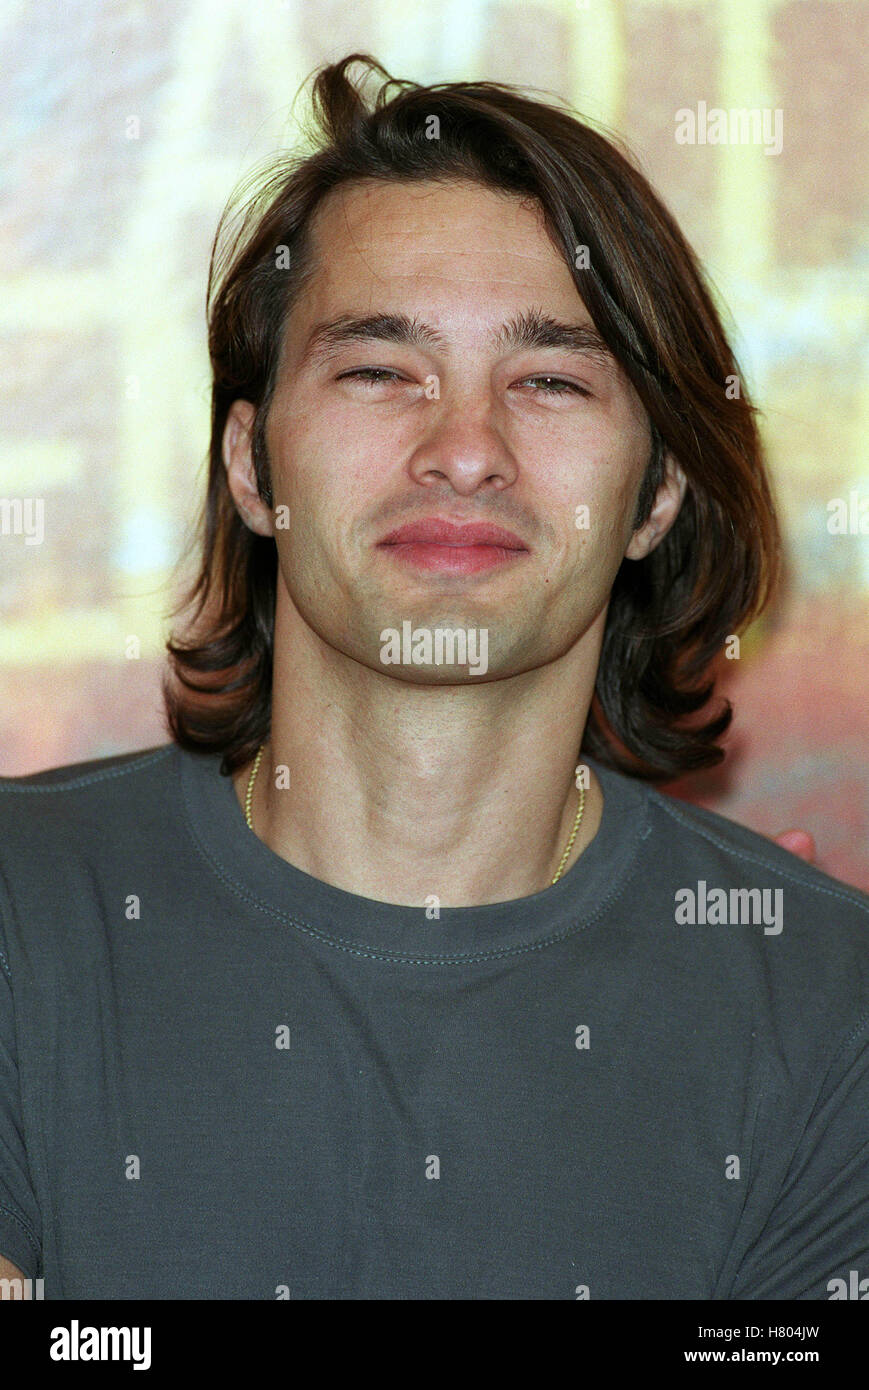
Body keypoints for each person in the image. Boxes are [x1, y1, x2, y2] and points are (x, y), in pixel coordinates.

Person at [1, 54, 866, 1301]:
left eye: (550, 381)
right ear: (252, 469)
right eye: (378, 370)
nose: (464, 451)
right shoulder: (25, 917)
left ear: (655, 496)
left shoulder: (829, 1013)